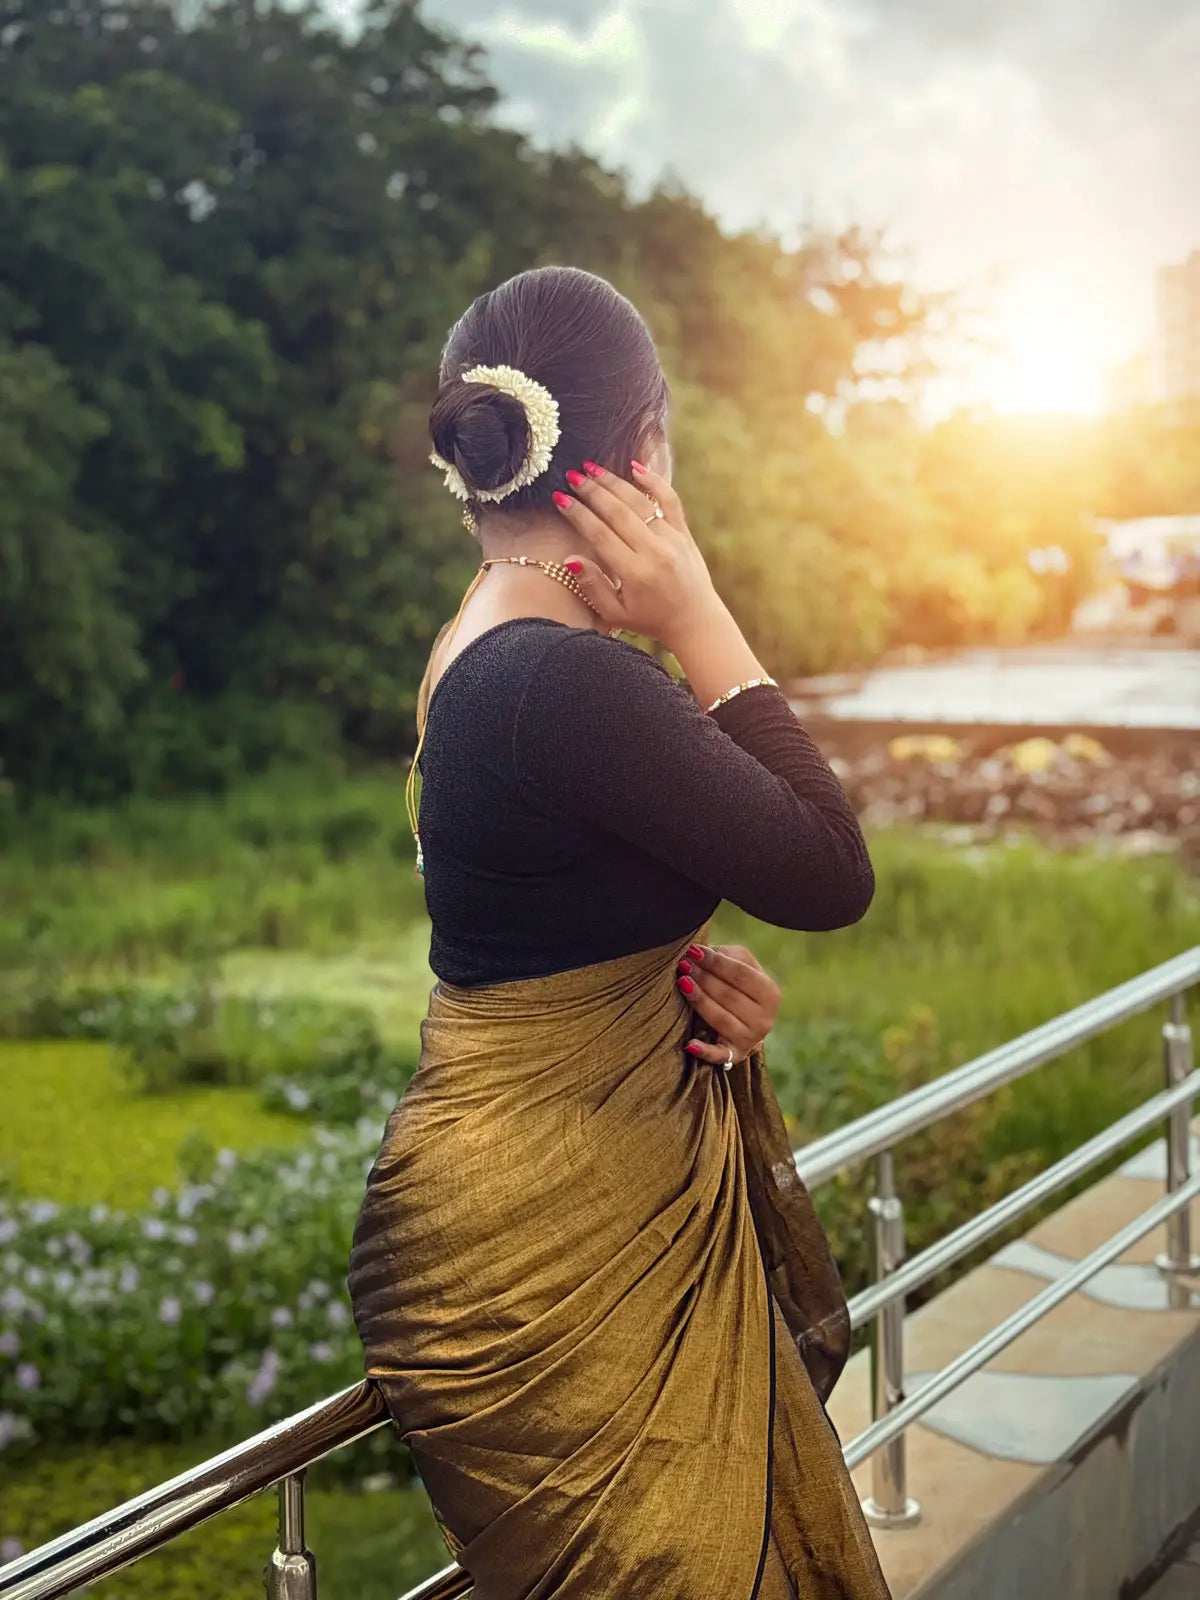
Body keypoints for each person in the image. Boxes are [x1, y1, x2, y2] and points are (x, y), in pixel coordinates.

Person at [348, 265, 891, 1600]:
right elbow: (830, 871)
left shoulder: (474, 644)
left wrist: (681, 988)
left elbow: (548, 927)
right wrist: (700, 613)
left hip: (522, 1183)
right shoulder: (568, 682)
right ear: (646, 453)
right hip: (554, 1232)